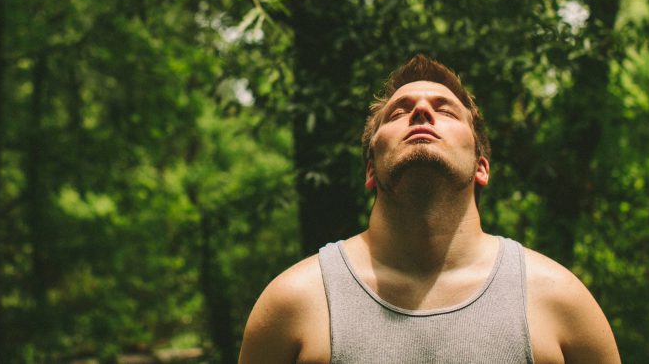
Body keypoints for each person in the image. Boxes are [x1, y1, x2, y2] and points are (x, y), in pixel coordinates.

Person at [238, 54, 621, 363]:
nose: (421, 111)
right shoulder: (294, 302)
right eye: (399, 112)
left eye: (447, 111)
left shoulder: (559, 300)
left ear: (481, 166)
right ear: (371, 169)